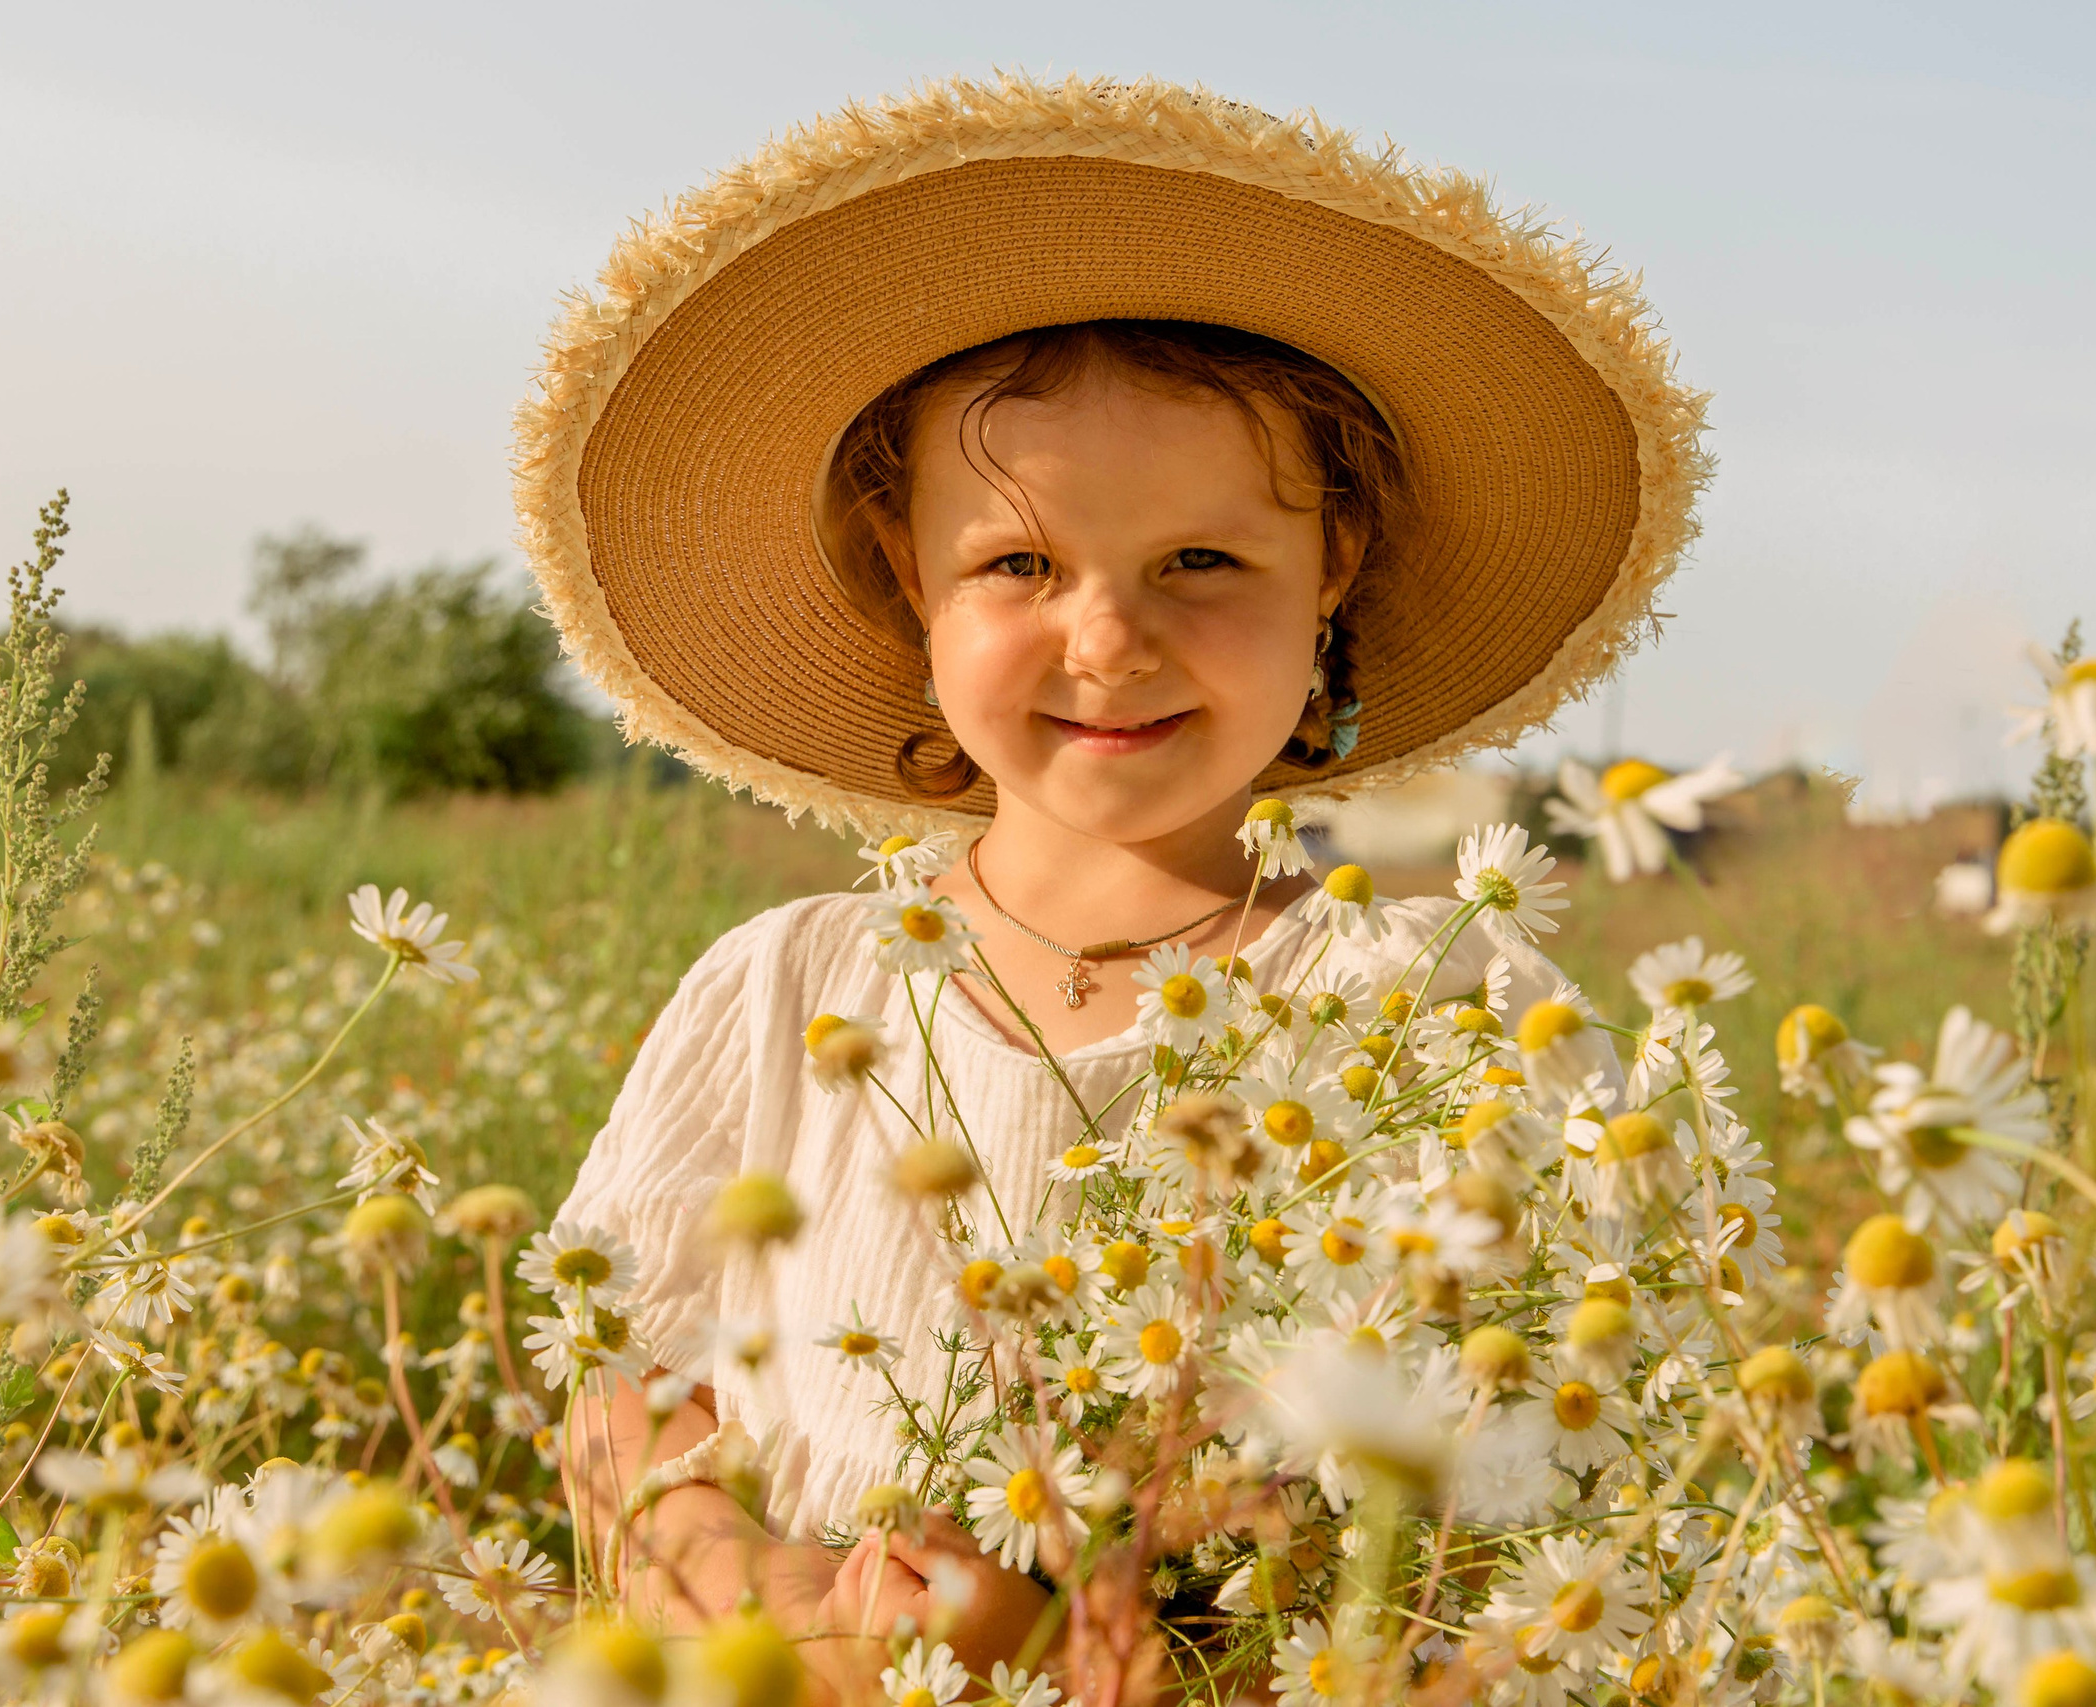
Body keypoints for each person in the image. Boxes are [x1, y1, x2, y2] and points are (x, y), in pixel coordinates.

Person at [513, 74, 1707, 1702]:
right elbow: (620, 1384)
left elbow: (1511, 1535)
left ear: (1332, 571)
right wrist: (757, 1588)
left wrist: (1095, 1655)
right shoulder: (790, 988)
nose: (1107, 639)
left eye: (1202, 563)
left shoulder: (1440, 1012)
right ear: (903, 571)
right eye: (1019, 563)